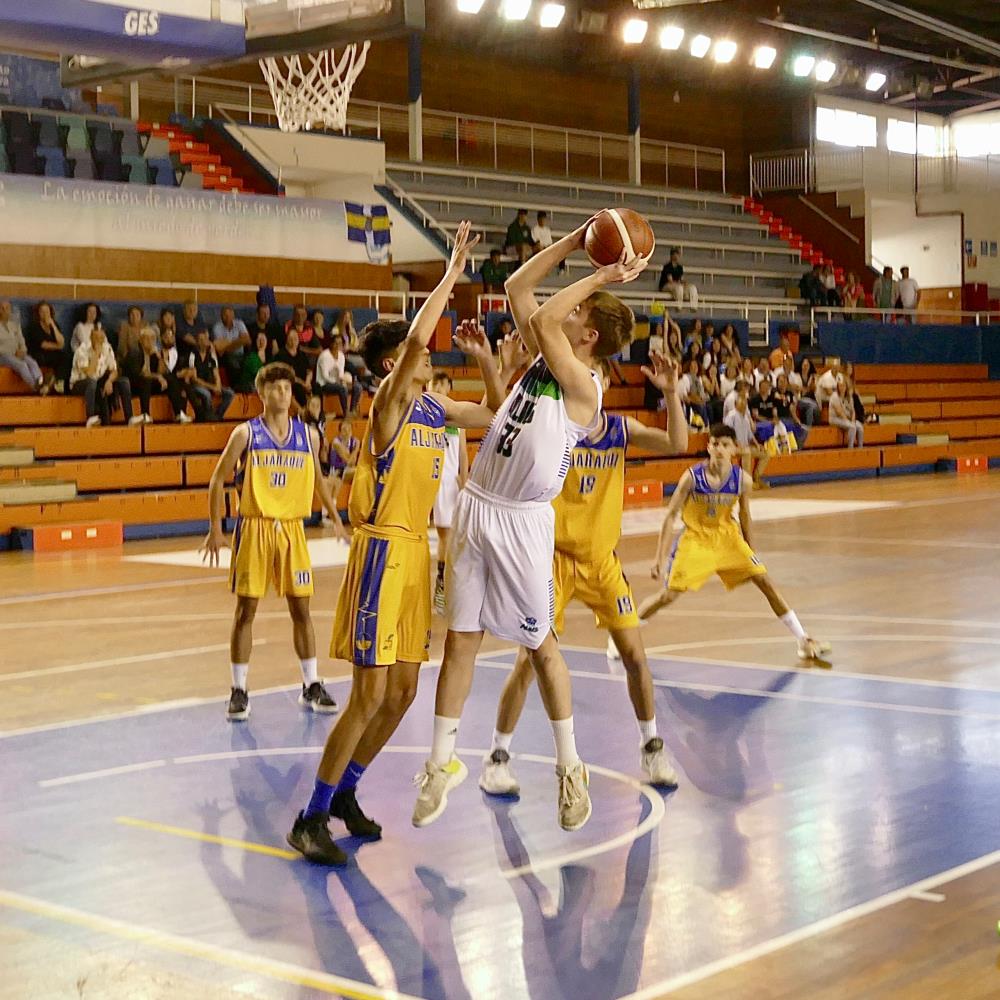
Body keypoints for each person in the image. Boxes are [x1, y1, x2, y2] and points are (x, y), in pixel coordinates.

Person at [412, 213, 646, 836]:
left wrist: (599, 273)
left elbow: (542, 318)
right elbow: (518, 289)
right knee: (460, 639)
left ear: (589, 334)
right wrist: (573, 242)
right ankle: (441, 763)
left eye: (578, 314)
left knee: (541, 649)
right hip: (476, 506)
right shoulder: (542, 363)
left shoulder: (585, 387)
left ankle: (572, 768)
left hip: (522, 525)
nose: (564, 314)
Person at [285, 222, 503, 866]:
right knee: (370, 695)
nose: (431, 362)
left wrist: (492, 363)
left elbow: (494, 414)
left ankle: (345, 795)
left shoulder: (435, 410)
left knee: (404, 693)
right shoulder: (388, 406)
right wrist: (453, 270)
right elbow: (414, 341)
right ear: (394, 366)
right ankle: (310, 816)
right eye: (422, 359)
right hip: (381, 553)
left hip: (417, 556)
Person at [480, 352, 688, 796]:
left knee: (634, 654)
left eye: (599, 377)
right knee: (528, 662)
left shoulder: (619, 431)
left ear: (605, 388)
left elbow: (675, 443)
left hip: (601, 562)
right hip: (552, 559)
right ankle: (497, 757)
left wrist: (671, 393)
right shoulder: (555, 429)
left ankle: (651, 747)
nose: (591, 382)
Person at [200, 362, 348, 724]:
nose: (283, 393)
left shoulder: (307, 435)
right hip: (255, 527)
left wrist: (338, 519)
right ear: (261, 393)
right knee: (245, 611)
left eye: (287, 387)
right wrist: (216, 528)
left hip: (292, 530)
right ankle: (238, 689)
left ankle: (311, 683)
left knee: (302, 610)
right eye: (275, 387)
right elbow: (217, 480)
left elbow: (317, 477)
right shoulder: (245, 434)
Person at [637, 423, 829, 660]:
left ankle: (802, 639)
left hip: (727, 537)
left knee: (764, 580)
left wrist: (751, 549)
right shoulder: (691, 477)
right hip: (696, 539)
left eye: (725, 445)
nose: (719, 448)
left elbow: (745, 514)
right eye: (715, 444)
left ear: (734, 449)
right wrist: (659, 558)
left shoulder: (742, 480)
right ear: (708, 447)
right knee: (668, 596)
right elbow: (670, 516)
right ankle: (624, 636)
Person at [428, 370, 469, 617]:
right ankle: (439, 583)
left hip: (449, 481)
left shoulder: (458, 420)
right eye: (437, 384)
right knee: (440, 536)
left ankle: (444, 582)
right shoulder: (426, 416)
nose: (440, 388)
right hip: (430, 478)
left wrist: (464, 480)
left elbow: (463, 454)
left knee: (451, 536)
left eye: (444, 385)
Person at [70, 325, 142, 427]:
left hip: (100, 381)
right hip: (80, 383)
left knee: (124, 381)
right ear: (91, 337)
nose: (100, 341)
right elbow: (90, 373)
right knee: (92, 382)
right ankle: (90, 418)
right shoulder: (82, 349)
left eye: (102, 338)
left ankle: (130, 418)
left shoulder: (107, 347)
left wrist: (109, 381)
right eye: (97, 338)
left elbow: (114, 371)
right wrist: (96, 354)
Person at [180, 327, 235, 422]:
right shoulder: (192, 355)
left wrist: (217, 385)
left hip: (209, 384)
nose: (204, 341)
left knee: (230, 393)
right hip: (196, 385)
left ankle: (217, 415)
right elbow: (194, 379)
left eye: (205, 339)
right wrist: (211, 387)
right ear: (197, 342)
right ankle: (208, 416)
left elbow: (216, 374)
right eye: (201, 339)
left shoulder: (211, 355)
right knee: (206, 394)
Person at [724, 382, 770, 488]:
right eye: (741, 402)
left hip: (745, 445)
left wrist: (757, 444)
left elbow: (750, 434)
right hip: (734, 447)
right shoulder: (731, 416)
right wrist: (736, 443)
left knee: (766, 453)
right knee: (747, 452)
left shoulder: (745, 417)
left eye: (745, 402)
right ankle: (747, 481)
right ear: (736, 404)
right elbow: (728, 433)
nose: (744, 404)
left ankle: (757, 477)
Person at [0, 300, 45, 393]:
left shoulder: (15, 325)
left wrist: (23, 350)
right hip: (3, 355)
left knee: (32, 362)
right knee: (22, 365)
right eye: (2, 308)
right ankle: (36, 388)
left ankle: (41, 383)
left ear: (10, 310)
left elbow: (21, 340)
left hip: (17, 353)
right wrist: (12, 352)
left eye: (7, 308)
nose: (4, 311)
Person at [25, 301, 67, 393]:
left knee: (65, 357)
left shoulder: (54, 324)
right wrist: (59, 346)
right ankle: (51, 383)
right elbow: (43, 345)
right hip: (38, 353)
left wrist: (53, 326)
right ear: (38, 313)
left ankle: (57, 383)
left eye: (47, 311)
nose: (45, 314)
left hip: (52, 353)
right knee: (57, 357)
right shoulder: (34, 326)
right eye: (42, 311)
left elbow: (62, 341)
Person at [316, 335, 361, 415]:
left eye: (340, 343)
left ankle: (352, 410)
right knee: (342, 388)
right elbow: (325, 377)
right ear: (331, 344)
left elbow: (340, 373)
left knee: (357, 386)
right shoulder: (324, 356)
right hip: (323, 384)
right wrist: (340, 383)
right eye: (335, 343)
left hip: (338, 382)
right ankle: (346, 412)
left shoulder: (341, 356)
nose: (337, 346)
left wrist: (346, 382)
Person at [275, 329, 314, 408]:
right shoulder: (281, 355)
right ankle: (305, 412)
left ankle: (320, 413)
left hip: (304, 383)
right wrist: (302, 383)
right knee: (298, 388)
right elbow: (285, 375)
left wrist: (308, 381)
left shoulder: (302, 355)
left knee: (317, 387)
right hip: (290, 382)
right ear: (286, 339)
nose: (293, 340)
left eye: (295, 338)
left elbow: (309, 371)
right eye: (291, 338)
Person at [213, 306, 251, 385]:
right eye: (225, 315)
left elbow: (247, 340)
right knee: (233, 363)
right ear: (221, 316)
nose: (228, 317)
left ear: (233, 315)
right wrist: (239, 341)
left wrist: (227, 343)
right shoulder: (217, 327)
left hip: (242, 354)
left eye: (230, 315)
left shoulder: (239, 323)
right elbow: (220, 349)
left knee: (250, 362)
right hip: (226, 356)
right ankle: (236, 388)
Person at [829, 375, 864, 447]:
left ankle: (860, 448)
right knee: (852, 427)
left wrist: (853, 420)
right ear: (837, 387)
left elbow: (853, 410)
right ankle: (850, 448)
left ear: (846, 386)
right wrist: (850, 422)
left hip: (847, 417)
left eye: (843, 385)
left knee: (860, 427)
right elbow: (840, 412)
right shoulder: (834, 396)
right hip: (835, 418)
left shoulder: (849, 396)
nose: (842, 388)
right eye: (840, 386)